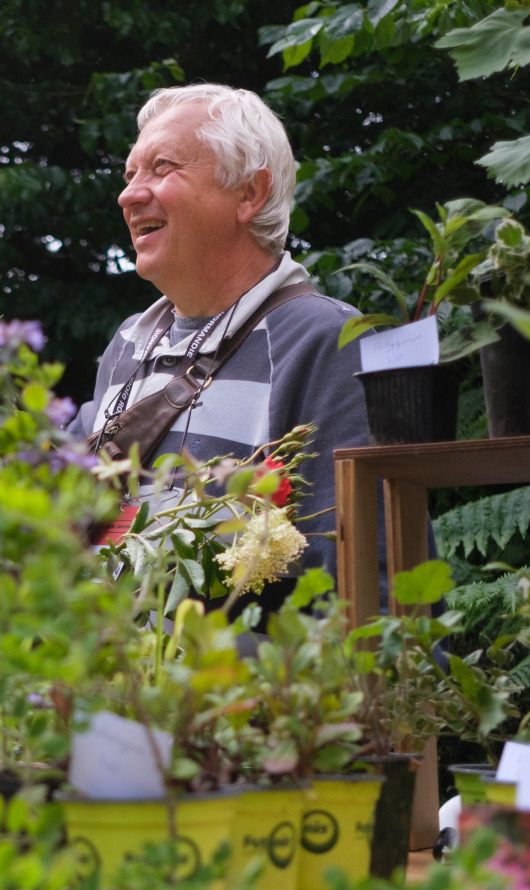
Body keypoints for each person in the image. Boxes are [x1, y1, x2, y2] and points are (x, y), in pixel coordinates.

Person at [67, 83, 371, 591]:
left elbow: (366, 577)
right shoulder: (127, 346)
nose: (129, 194)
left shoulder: (324, 340)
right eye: (130, 174)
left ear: (250, 194)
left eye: (163, 167)